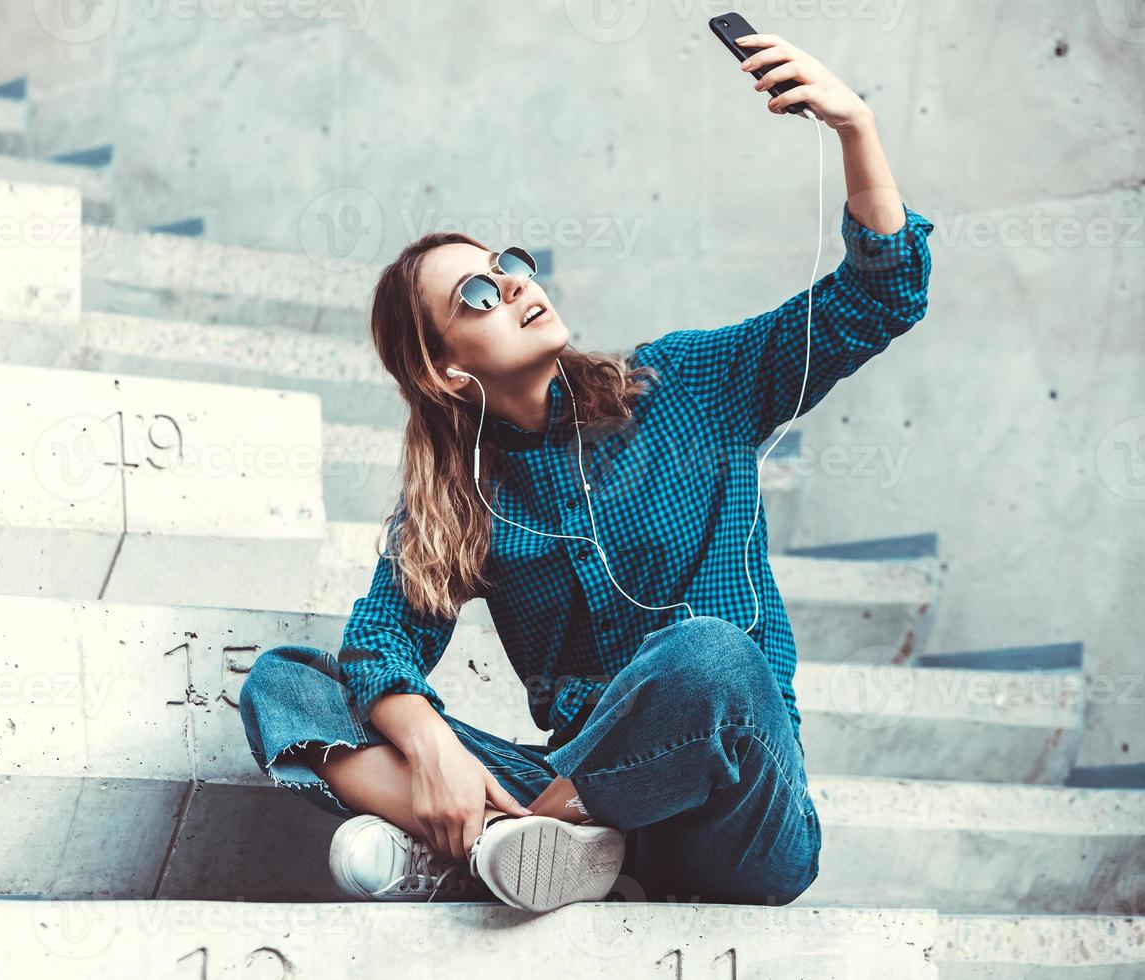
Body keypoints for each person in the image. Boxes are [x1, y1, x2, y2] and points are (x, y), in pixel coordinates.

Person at [240, 33, 935, 913]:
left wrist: (855, 128)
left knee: (711, 653)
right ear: (449, 370)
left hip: (736, 816)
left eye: (510, 266)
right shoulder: (464, 501)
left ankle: (518, 843)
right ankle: (533, 848)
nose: (517, 287)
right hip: (574, 781)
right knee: (286, 684)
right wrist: (430, 742)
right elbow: (379, 644)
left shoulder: (688, 383)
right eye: (479, 297)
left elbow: (878, 298)